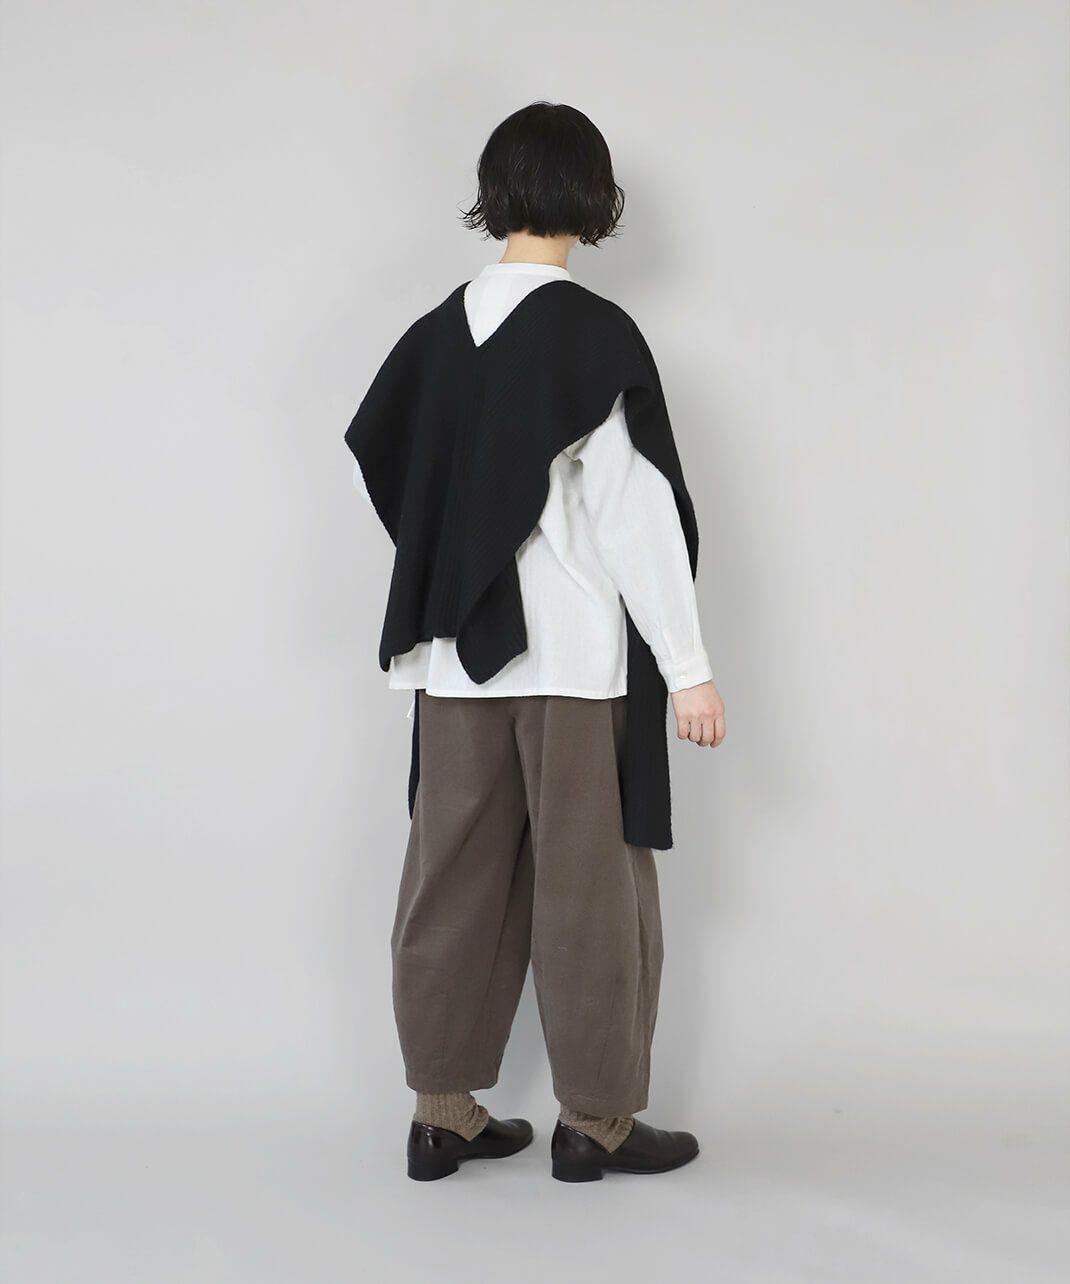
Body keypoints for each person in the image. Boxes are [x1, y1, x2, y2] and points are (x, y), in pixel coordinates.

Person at [345, 101, 725, 1183]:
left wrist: (459, 578)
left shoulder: (431, 335)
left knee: (449, 878)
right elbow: (633, 513)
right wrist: (688, 671)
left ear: (496, 190)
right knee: (588, 888)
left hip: (451, 665)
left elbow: (398, 475)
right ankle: (593, 1125)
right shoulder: (592, 336)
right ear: (592, 197)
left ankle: (441, 1114)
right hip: (569, 666)